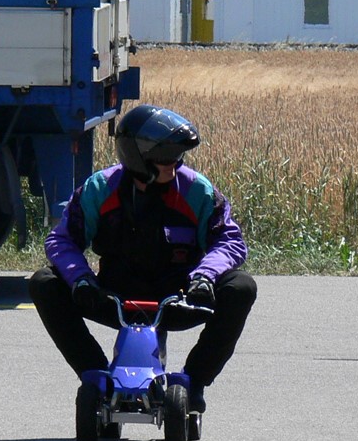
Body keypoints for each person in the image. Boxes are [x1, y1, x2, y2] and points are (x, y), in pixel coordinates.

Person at [28, 104, 256, 413]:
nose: (173, 166)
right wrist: (81, 280)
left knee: (242, 286)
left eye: (178, 158)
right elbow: (61, 240)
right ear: (138, 158)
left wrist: (205, 277)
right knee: (44, 282)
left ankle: (194, 383)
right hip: (113, 298)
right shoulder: (99, 189)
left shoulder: (197, 191)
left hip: (180, 299)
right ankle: (95, 376)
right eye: (165, 159)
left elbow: (230, 241)